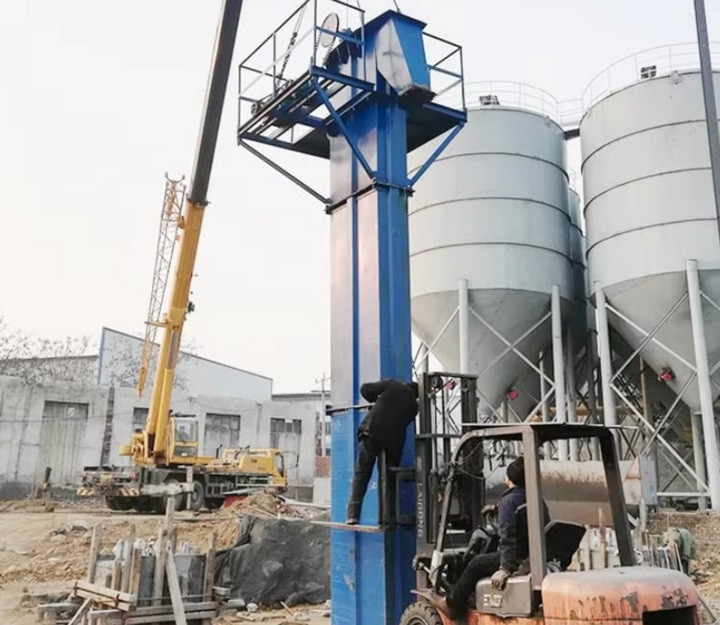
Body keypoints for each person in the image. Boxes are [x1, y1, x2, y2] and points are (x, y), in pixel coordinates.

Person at [432, 456, 550, 618]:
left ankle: (452, 603)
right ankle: (473, 599)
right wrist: (497, 509)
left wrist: (505, 568)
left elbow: (508, 537)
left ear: (509, 479)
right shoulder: (535, 499)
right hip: (532, 553)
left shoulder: (509, 502)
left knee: (476, 563)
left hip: (517, 556)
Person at [345, 378, 419, 525]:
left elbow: (365, 389)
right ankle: (387, 518)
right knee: (388, 480)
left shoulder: (392, 384)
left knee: (362, 475)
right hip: (392, 442)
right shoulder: (414, 408)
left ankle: (353, 515)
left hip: (372, 432)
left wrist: (376, 400)